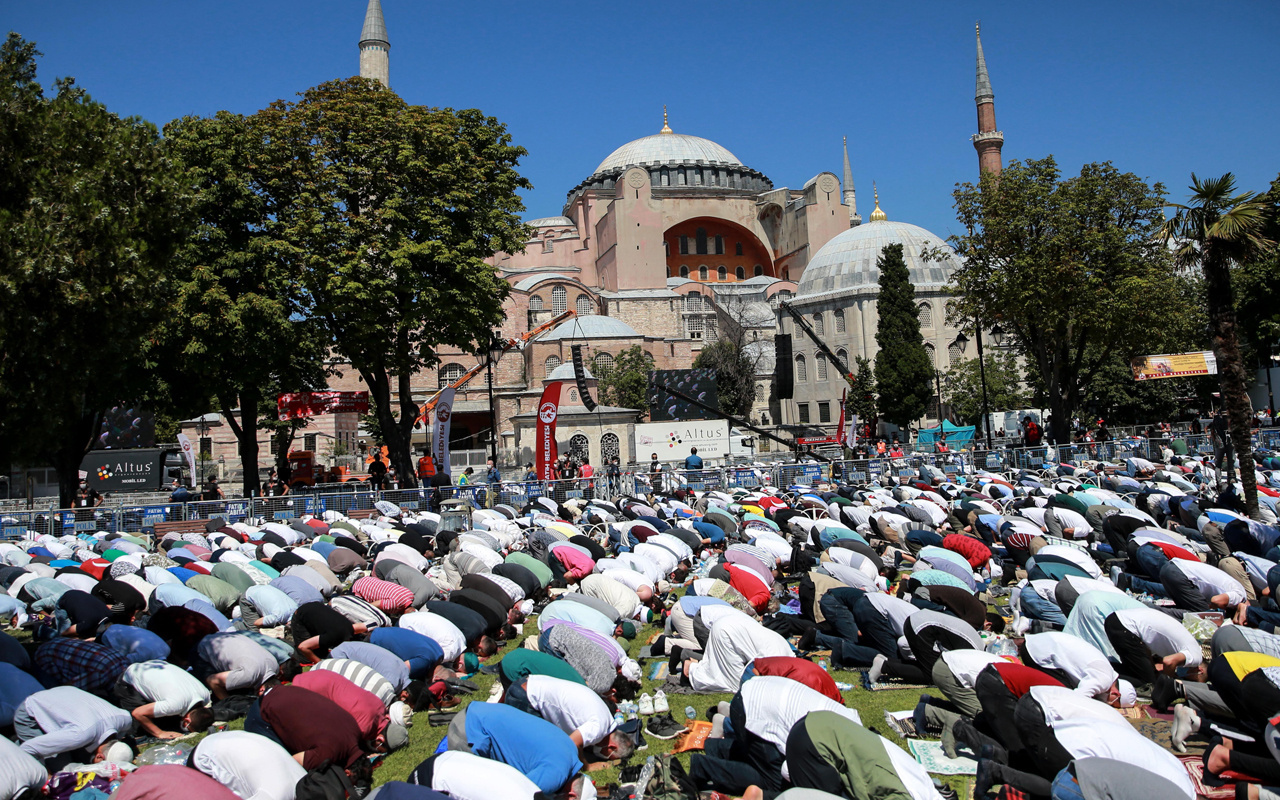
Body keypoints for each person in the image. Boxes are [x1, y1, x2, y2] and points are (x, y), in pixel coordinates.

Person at [14, 686, 134, 769]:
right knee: (62, 771)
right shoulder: (79, 736)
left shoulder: (125, 719)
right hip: (31, 714)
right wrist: (46, 774)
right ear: (99, 756)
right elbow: (28, 748)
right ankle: (11, 747)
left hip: (63, 693)